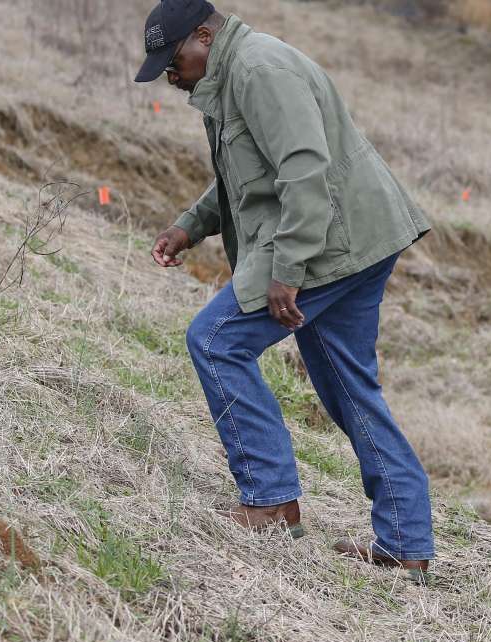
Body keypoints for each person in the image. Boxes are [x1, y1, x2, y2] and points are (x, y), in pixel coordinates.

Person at [135, 0, 435, 580]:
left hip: (333, 242)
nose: (171, 76)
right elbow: (249, 172)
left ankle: (270, 502)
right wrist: (190, 225)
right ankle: (405, 542)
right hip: (356, 237)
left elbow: (303, 172)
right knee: (349, 386)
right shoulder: (236, 71)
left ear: (203, 36)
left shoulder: (257, 71)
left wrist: (289, 270)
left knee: (216, 340)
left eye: (173, 61)